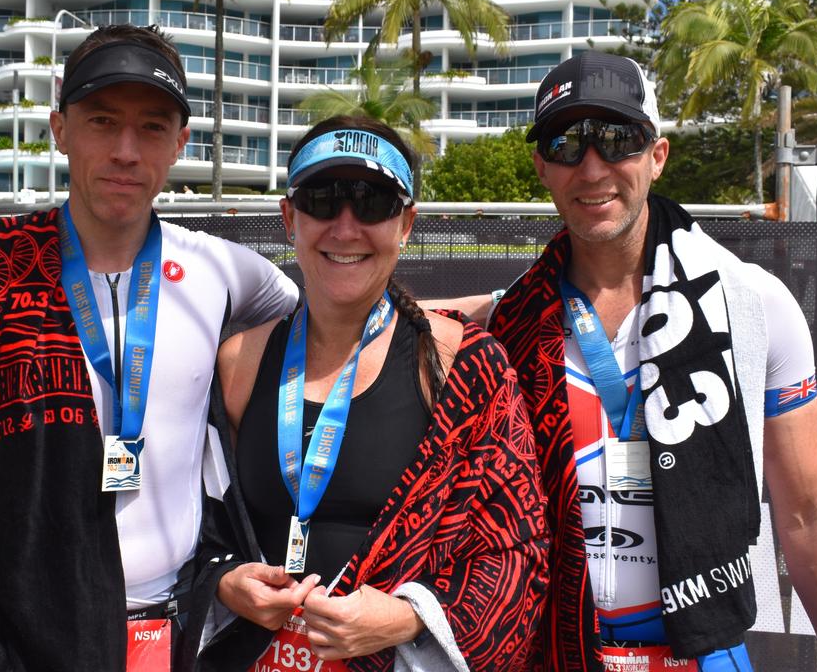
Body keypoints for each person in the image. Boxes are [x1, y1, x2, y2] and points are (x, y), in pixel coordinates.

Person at [0, 25, 299, 672]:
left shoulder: (224, 272)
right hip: (23, 638)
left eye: (153, 128)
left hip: (180, 631)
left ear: (181, 143)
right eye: (102, 121)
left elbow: (337, 324)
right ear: (60, 129)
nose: (126, 151)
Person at [438, 52, 817, 672]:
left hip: (700, 653)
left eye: (617, 139)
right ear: (541, 166)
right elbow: (381, 322)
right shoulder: (511, 320)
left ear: (657, 155)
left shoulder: (752, 304)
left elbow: (809, 513)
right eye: (566, 144)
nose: (592, 168)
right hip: (548, 653)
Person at [186, 116, 550, 671]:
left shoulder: (459, 366)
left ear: (406, 224)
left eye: (374, 202)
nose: (346, 226)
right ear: (290, 218)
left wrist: (408, 617)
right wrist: (226, 580)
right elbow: (200, 523)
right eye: (323, 199)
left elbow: (515, 550)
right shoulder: (240, 362)